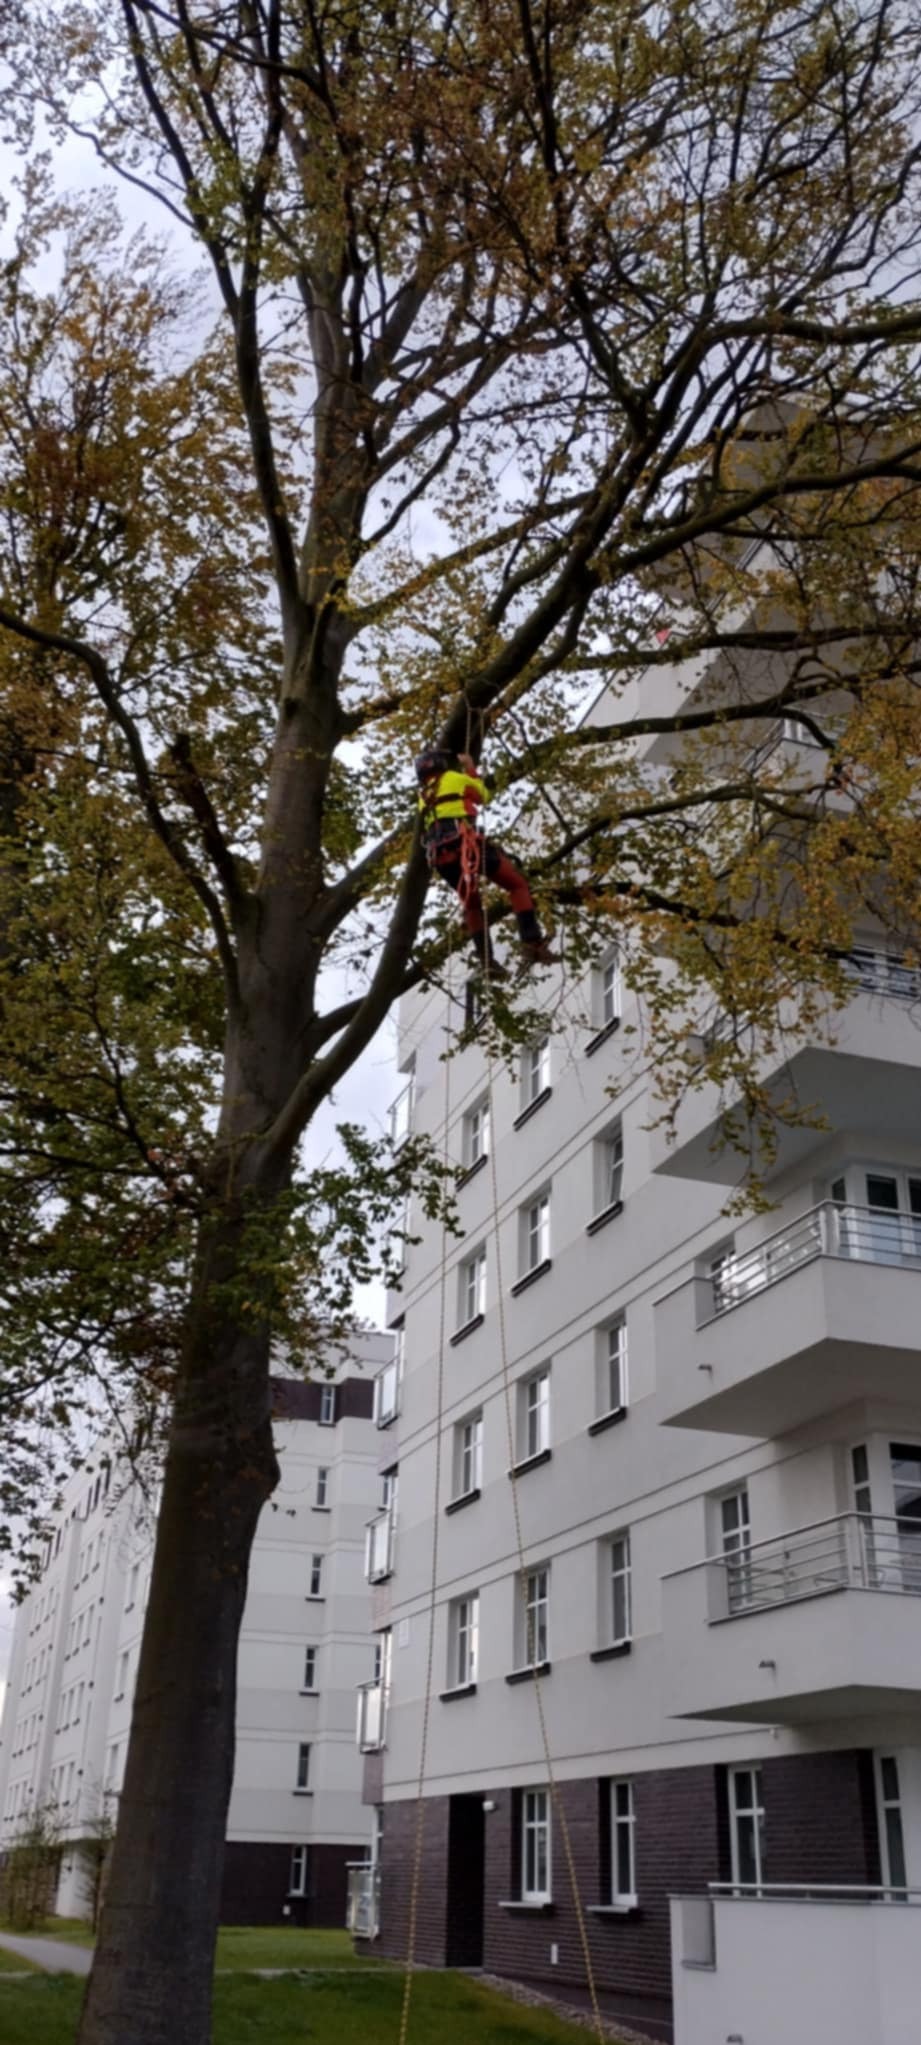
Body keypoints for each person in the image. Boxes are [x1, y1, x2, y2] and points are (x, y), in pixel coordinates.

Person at [415, 746, 559, 972]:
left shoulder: (423, 796)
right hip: (467, 846)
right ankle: (531, 942)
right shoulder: (455, 778)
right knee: (517, 884)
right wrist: (471, 769)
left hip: (441, 858)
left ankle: (486, 961)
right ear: (439, 764)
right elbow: (483, 795)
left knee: (472, 904)